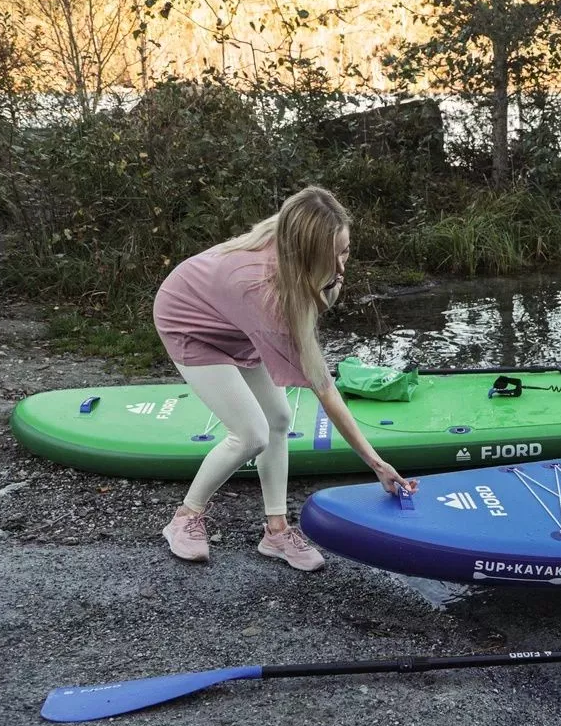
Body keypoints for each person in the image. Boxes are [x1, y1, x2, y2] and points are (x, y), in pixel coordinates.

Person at [151, 185, 418, 570]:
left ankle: (275, 531)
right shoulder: (262, 290)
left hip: (234, 320)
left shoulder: (294, 233)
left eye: (345, 249)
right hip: (190, 323)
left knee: (278, 418)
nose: (342, 267)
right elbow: (324, 387)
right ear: (305, 251)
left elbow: (315, 298)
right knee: (251, 434)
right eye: (332, 257)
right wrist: (376, 463)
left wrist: (329, 280)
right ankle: (184, 517)